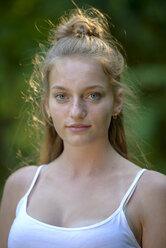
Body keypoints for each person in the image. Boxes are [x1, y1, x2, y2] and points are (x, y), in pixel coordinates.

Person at [0, 7, 166, 248]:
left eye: (93, 95)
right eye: (62, 96)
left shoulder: (151, 192)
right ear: (46, 104)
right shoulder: (20, 187)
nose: (76, 111)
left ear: (117, 102)